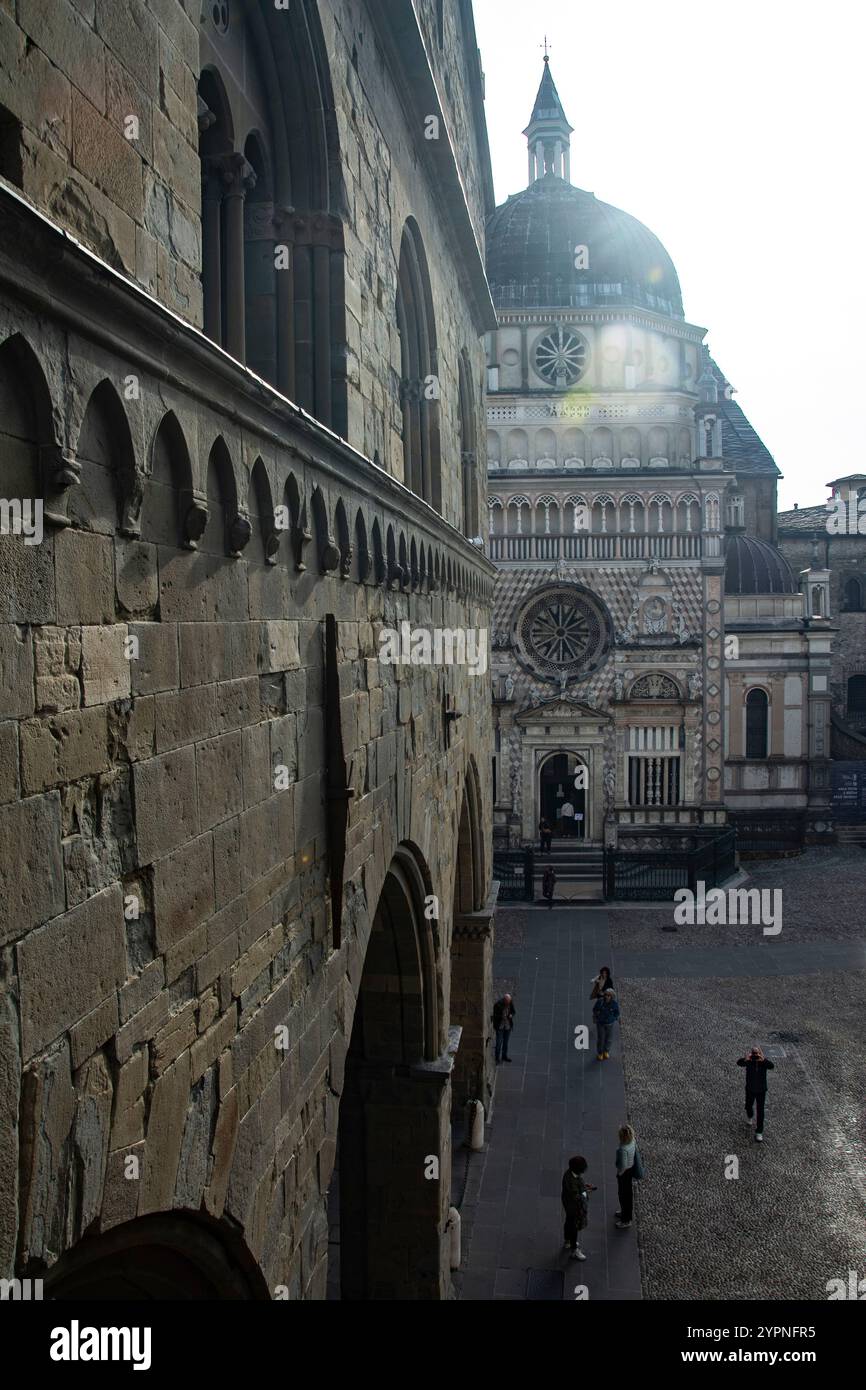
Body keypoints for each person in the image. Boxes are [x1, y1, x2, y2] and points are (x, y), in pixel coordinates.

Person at [561, 1155, 596, 1261]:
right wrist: (584, 1192)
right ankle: (574, 1249)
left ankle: (568, 1241)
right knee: (574, 1227)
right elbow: (577, 1196)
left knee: (568, 1222)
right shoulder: (572, 1181)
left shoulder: (569, 1174)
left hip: (568, 1203)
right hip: (573, 1207)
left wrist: (584, 1187)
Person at [737, 1045, 774, 1141]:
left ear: (760, 1053)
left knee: (760, 1111)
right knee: (748, 1105)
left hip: (761, 1090)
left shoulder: (763, 1062)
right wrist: (745, 1059)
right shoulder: (749, 1061)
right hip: (750, 1089)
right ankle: (750, 1116)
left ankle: (759, 1132)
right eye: (754, 1053)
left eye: (757, 1053)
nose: (755, 1055)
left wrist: (763, 1060)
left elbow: (771, 1066)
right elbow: (739, 1063)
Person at [614, 1124, 637, 1229]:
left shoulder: (623, 1149)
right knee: (628, 1196)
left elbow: (622, 1166)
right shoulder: (632, 1142)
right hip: (630, 1169)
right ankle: (625, 1214)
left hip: (624, 1174)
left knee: (623, 1196)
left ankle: (625, 1220)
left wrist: (619, 1174)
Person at [592, 988, 620, 1060]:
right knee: (601, 1039)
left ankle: (606, 1051)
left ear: (612, 996)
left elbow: (617, 1013)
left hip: (609, 1024)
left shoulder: (614, 1004)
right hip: (600, 1023)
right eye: (606, 995)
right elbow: (594, 1009)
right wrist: (597, 1016)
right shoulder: (600, 1002)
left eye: (609, 995)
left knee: (608, 1038)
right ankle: (600, 1053)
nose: (607, 996)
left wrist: (613, 1019)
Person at [492, 993, 516, 1064]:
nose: (508, 1003)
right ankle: (497, 1058)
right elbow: (495, 1016)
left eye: (509, 1001)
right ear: (504, 1000)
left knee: (505, 1043)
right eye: (507, 1002)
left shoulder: (510, 1003)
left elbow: (513, 1011)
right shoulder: (498, 1005)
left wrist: (511, 1015)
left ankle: (504, 1056)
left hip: (507, 1026)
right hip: (500, 1026)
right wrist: (501, 1016)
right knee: (499, 1043)